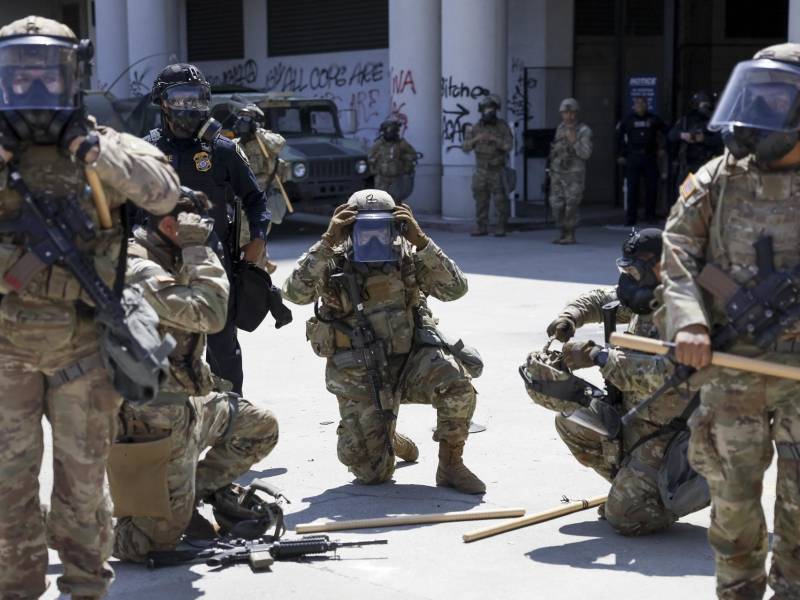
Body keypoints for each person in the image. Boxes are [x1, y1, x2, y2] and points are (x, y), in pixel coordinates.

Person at [0, 15, 180, 600]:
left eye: (45, 72)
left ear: (72, 75)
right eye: (17, 73)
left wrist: (98, 155)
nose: (32, 86)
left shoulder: (101, 142)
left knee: (81, 492)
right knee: (8, 491)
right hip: (7, 352)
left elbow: (164, 190)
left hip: (83, 350)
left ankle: (84, 588)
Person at [663, 43, 800, 600]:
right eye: (756, 96)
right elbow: (677, 253)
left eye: (778, 99)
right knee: (734, 500)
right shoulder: (717, 178)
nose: (761, 111)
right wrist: (689, 322)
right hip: (730, 365)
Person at [111, 190, 279, 562]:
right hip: (150, 418)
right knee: (151, 546)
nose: (204, 232)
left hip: (189, 405)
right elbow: (211, 312)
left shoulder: (173, 255)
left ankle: (189, 495)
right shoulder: (138, 269)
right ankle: (88, 530)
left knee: (261, 427)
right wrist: (197, 247)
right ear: (170, 225)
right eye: (196, 225)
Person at [282, 189, 486, 494]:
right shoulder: (333, 261)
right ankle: (387, 438)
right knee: (371, 473)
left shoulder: (408, 258)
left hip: (409, 361)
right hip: (360, 370)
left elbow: (456, 289)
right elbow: (294, 293)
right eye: (364, 228)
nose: (373, 236)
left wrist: (422, 242)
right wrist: (326, 241)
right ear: (349, 228)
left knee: (457, 382)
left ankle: (451, 466)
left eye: (381, 227)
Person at [531, 229, 707, 535]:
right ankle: (633, 488)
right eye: (624, 270)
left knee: (625, 519)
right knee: (572, 421)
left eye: (633, 272)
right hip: (636, 416)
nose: (627, 280)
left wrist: (599, 357)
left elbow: (665, 374)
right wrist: (570, 317)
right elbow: (603, 299)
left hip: (674, 435)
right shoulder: (649, 297)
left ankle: (659, 501)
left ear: (660, 268)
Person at [145, 63, 271, 395]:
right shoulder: (148, 151)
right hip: (162, 266)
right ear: (162, 103)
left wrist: (258, 239)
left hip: (215, 266)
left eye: (196, 99)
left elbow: (257, 201)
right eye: (180, 99)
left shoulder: (224, 151)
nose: (189, 108)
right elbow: (128, 209)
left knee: (223, 349)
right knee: (161, 345)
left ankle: (232, 418)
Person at [228, 97, 287, 274]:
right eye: (240, 118)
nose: (241, 122)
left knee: (254, 238)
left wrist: (257, 131)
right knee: (243, 239)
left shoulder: (265, 142)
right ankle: (262, 264)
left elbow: (279, 144)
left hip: (261, 199)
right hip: (240, 201)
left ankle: (258, 274)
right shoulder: (235, 144)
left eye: (247, 118)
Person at [462, 94, 513, 237]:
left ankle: (501, 226)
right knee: (480, 200)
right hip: (481, 170)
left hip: (496, 170)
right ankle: (481, 226)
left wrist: (494, 140)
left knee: (500, 200)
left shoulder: (502, 127)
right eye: (485, 109)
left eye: (491, 109)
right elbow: (465, 147)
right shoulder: (476, 127)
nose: (488, 112)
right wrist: (476, 139)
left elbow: (509, 146)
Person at [548, 97, 593, 244]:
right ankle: (562, 231)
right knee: (556, 204)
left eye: (572, 113)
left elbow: (586, 154)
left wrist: (574, 140)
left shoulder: (584, 130)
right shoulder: (560, 128)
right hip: (558, 171)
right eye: (565, 113)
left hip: (574, 173)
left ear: (576, 113)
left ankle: (570, 234)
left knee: (571, 205)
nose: (569, 116)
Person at [616, 96, 667, 225]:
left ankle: (650, 215)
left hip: (649, 156)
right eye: (638, 104)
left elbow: (668, 132)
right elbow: (619, 138)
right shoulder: (628, 120)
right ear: (634, 106)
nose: (640, 106)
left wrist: (663, 148)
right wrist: (621, 154)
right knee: (633, 188)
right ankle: (631, 218)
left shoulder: (654, 119)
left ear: (647, 105)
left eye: (643, 103)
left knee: (652, 187)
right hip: (633, 157)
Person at [667, 91, 723, 201]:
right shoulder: (686, 120)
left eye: (706, 104)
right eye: (702, 104)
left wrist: (704, 139)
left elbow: (720, 141)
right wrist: (682, 135)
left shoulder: (714, 122)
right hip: (689, 166)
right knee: (685, 195)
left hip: (707, 165)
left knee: (706, 197)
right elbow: (671, 136)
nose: (704, 108)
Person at [368, 117, 418, 201]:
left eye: (391, 131)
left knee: (395, 200)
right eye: (387, 131)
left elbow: (413, 155)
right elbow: (369, 158)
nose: (389, 133)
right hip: (381, 178)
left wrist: (403, 159)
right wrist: (375, 163)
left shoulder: (401, 144)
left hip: (397, 178)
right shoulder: (379, 144)